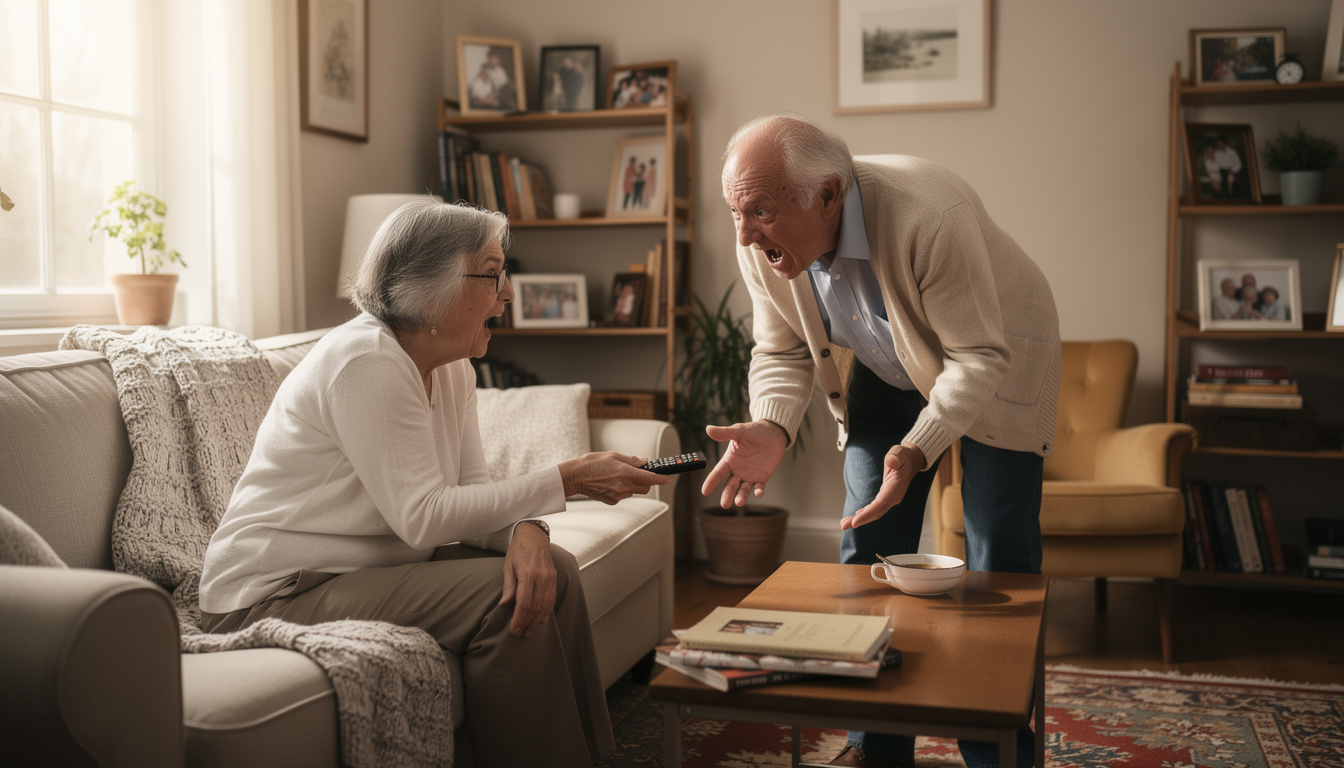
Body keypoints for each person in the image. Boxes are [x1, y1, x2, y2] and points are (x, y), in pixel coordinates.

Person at [198, 200, 668, 767]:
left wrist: (529, 529)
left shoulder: (454, 366)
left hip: (351, 574)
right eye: (492, 272)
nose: (509, 292)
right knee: (504, 594)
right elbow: (423, 516)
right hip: (273, 595)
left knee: (555, 568)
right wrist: (567, 478)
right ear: (431, 288)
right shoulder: (365, 361)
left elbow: (471, 488)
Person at [706, 113, 1059, 768]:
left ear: (830, 196)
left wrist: (918, 447)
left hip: (997, 353)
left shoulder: (931, 213)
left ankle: (1000, 752)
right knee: (865, 546)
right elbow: (779, 348)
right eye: (735, 210)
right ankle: (875, 747)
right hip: (886, 366)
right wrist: (772, 423)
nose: (744, 234)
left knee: (996, 567)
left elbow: (977, 358)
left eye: (758, 211)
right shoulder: (761, 239)